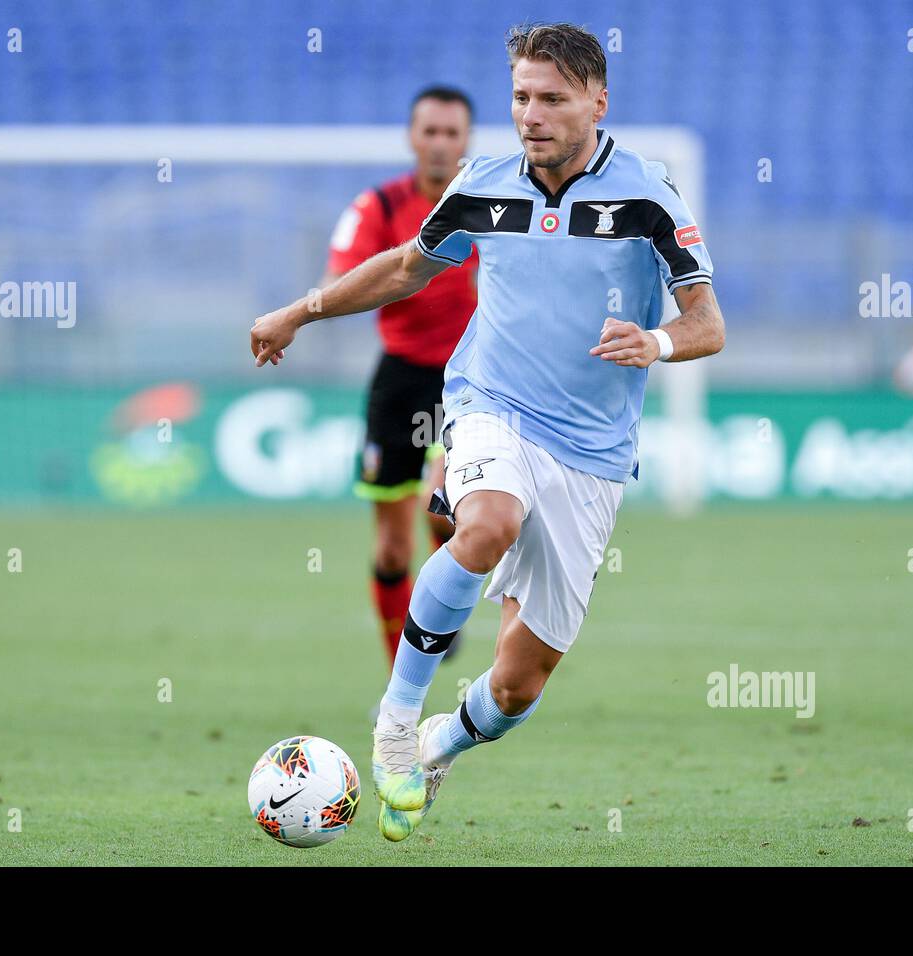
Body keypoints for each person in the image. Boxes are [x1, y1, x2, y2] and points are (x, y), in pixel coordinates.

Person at [251, 22, 725, 842]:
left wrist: (652, 343)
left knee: (516, 688)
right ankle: (398, 723)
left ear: (597, 101)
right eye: (520, 97)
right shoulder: (484, 184)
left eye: (552, 98)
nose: (531, 115)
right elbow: (406, 267)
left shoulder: (649, 197)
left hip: (593, 452)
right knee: (485, 521)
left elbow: (708, 323)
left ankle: (445, 741)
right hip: (490, 404)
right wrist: (300, 311)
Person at [322, 87, 478, 665]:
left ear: (467, 140)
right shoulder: (379, 208)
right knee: (391, 549)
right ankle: (401, 680)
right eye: (429, 132)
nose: (439, 144)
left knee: (445, 507)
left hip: (467, 380)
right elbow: (341, 280)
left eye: (451, 133)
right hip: (400, 381)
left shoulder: (490, 205)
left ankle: (441, 599)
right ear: (413, 137)